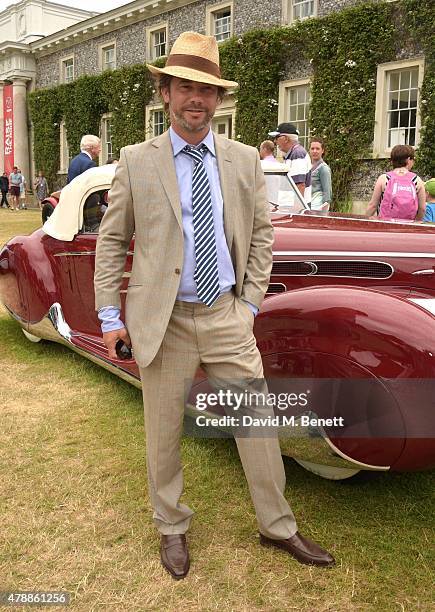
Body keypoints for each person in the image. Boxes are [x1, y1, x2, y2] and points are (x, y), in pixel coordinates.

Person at [94, 31, 335, 580]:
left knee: (257, 423)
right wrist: (110, 318)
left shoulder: (245, 159)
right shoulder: (136, 161)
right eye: (185, 86)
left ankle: (277, 525)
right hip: (165, 321)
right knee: (164, 432)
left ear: (218, 99)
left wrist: (248, 304)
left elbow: (261, 234)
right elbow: (111, 243)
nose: (195, 98)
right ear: (166, 93)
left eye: (205, 88)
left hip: (227, 313)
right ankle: (171, 526)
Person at [365, 145, 425, 221]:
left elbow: (373, 205)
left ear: (392, 160)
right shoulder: (417, 180)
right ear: (409, 159)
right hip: (408, 227)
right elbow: (422, 209)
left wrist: (364, 222)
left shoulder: (384, 178)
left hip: (385, 225)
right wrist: (415, 222)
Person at [268, 123, 311, 206]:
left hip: (293, 209)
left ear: (286, 139)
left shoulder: (297, 154)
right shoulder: (294, 153)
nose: (275, 141)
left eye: (277, 137)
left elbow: (300, 186)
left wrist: (296, 212)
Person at [309, 137, 332, 211]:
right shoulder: (307, 166)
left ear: (322, 151)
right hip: (308, 205)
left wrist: (324, 213)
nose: (314, 151)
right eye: (312, 148)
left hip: (318, 207)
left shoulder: (324, 168)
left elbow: (327, 193)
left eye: (317, 149)